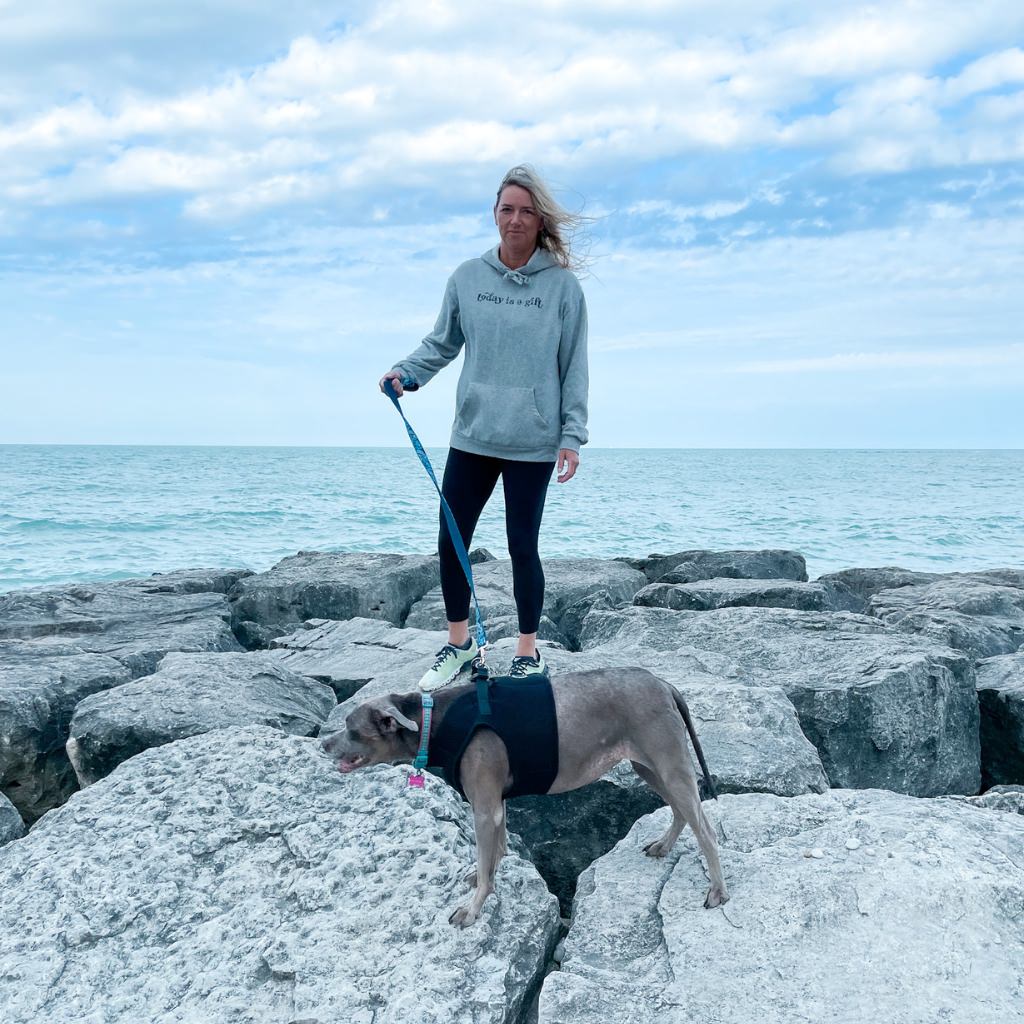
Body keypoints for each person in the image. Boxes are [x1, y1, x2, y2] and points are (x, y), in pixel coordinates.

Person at [379, 164, 589, 690]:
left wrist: (571, 434)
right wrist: (406, 372)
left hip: (533, 441)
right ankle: (459, 645)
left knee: (523, 546)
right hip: (473, 435)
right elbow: (441, 343)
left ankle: (527, 653)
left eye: (525, 211)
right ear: (494, 215)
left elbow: (574, 365)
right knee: (451, 540)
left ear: (540, 220)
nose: (515, 219)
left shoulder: (563, 289)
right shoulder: (467, 279)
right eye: (506, 209)